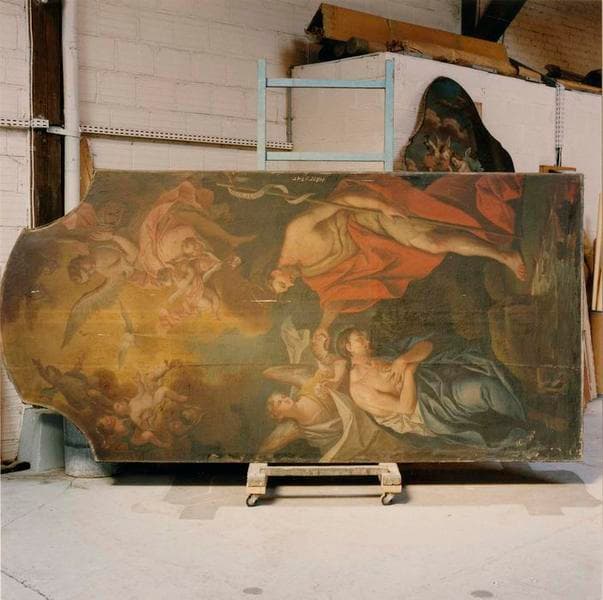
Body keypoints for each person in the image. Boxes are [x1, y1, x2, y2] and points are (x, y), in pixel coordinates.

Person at [269, 174, 526, 331]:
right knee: (434, 243)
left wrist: (383, 206)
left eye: (282, 283)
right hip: (377, 243)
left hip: (369, 214)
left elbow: (344, 200)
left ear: (273, 271)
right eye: (285, 289)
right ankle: (504, 256)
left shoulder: (296, 232)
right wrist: (323, 328)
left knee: (433, 237)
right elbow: (333, 297)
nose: (289, 284)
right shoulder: (308, 273)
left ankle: (504, 254)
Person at [336, 328, 531, 449]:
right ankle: (528, 426)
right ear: (348, 347)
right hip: (428, 410)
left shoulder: (383, 354)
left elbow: (426, 345)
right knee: (484, 388)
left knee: (484, 372)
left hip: (434, 383)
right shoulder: (359, 389)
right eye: (360, 339)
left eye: (365, 337)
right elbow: (406, 407)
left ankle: (526, 419)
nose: (367, 341)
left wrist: (403, 359)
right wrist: (410, 369)